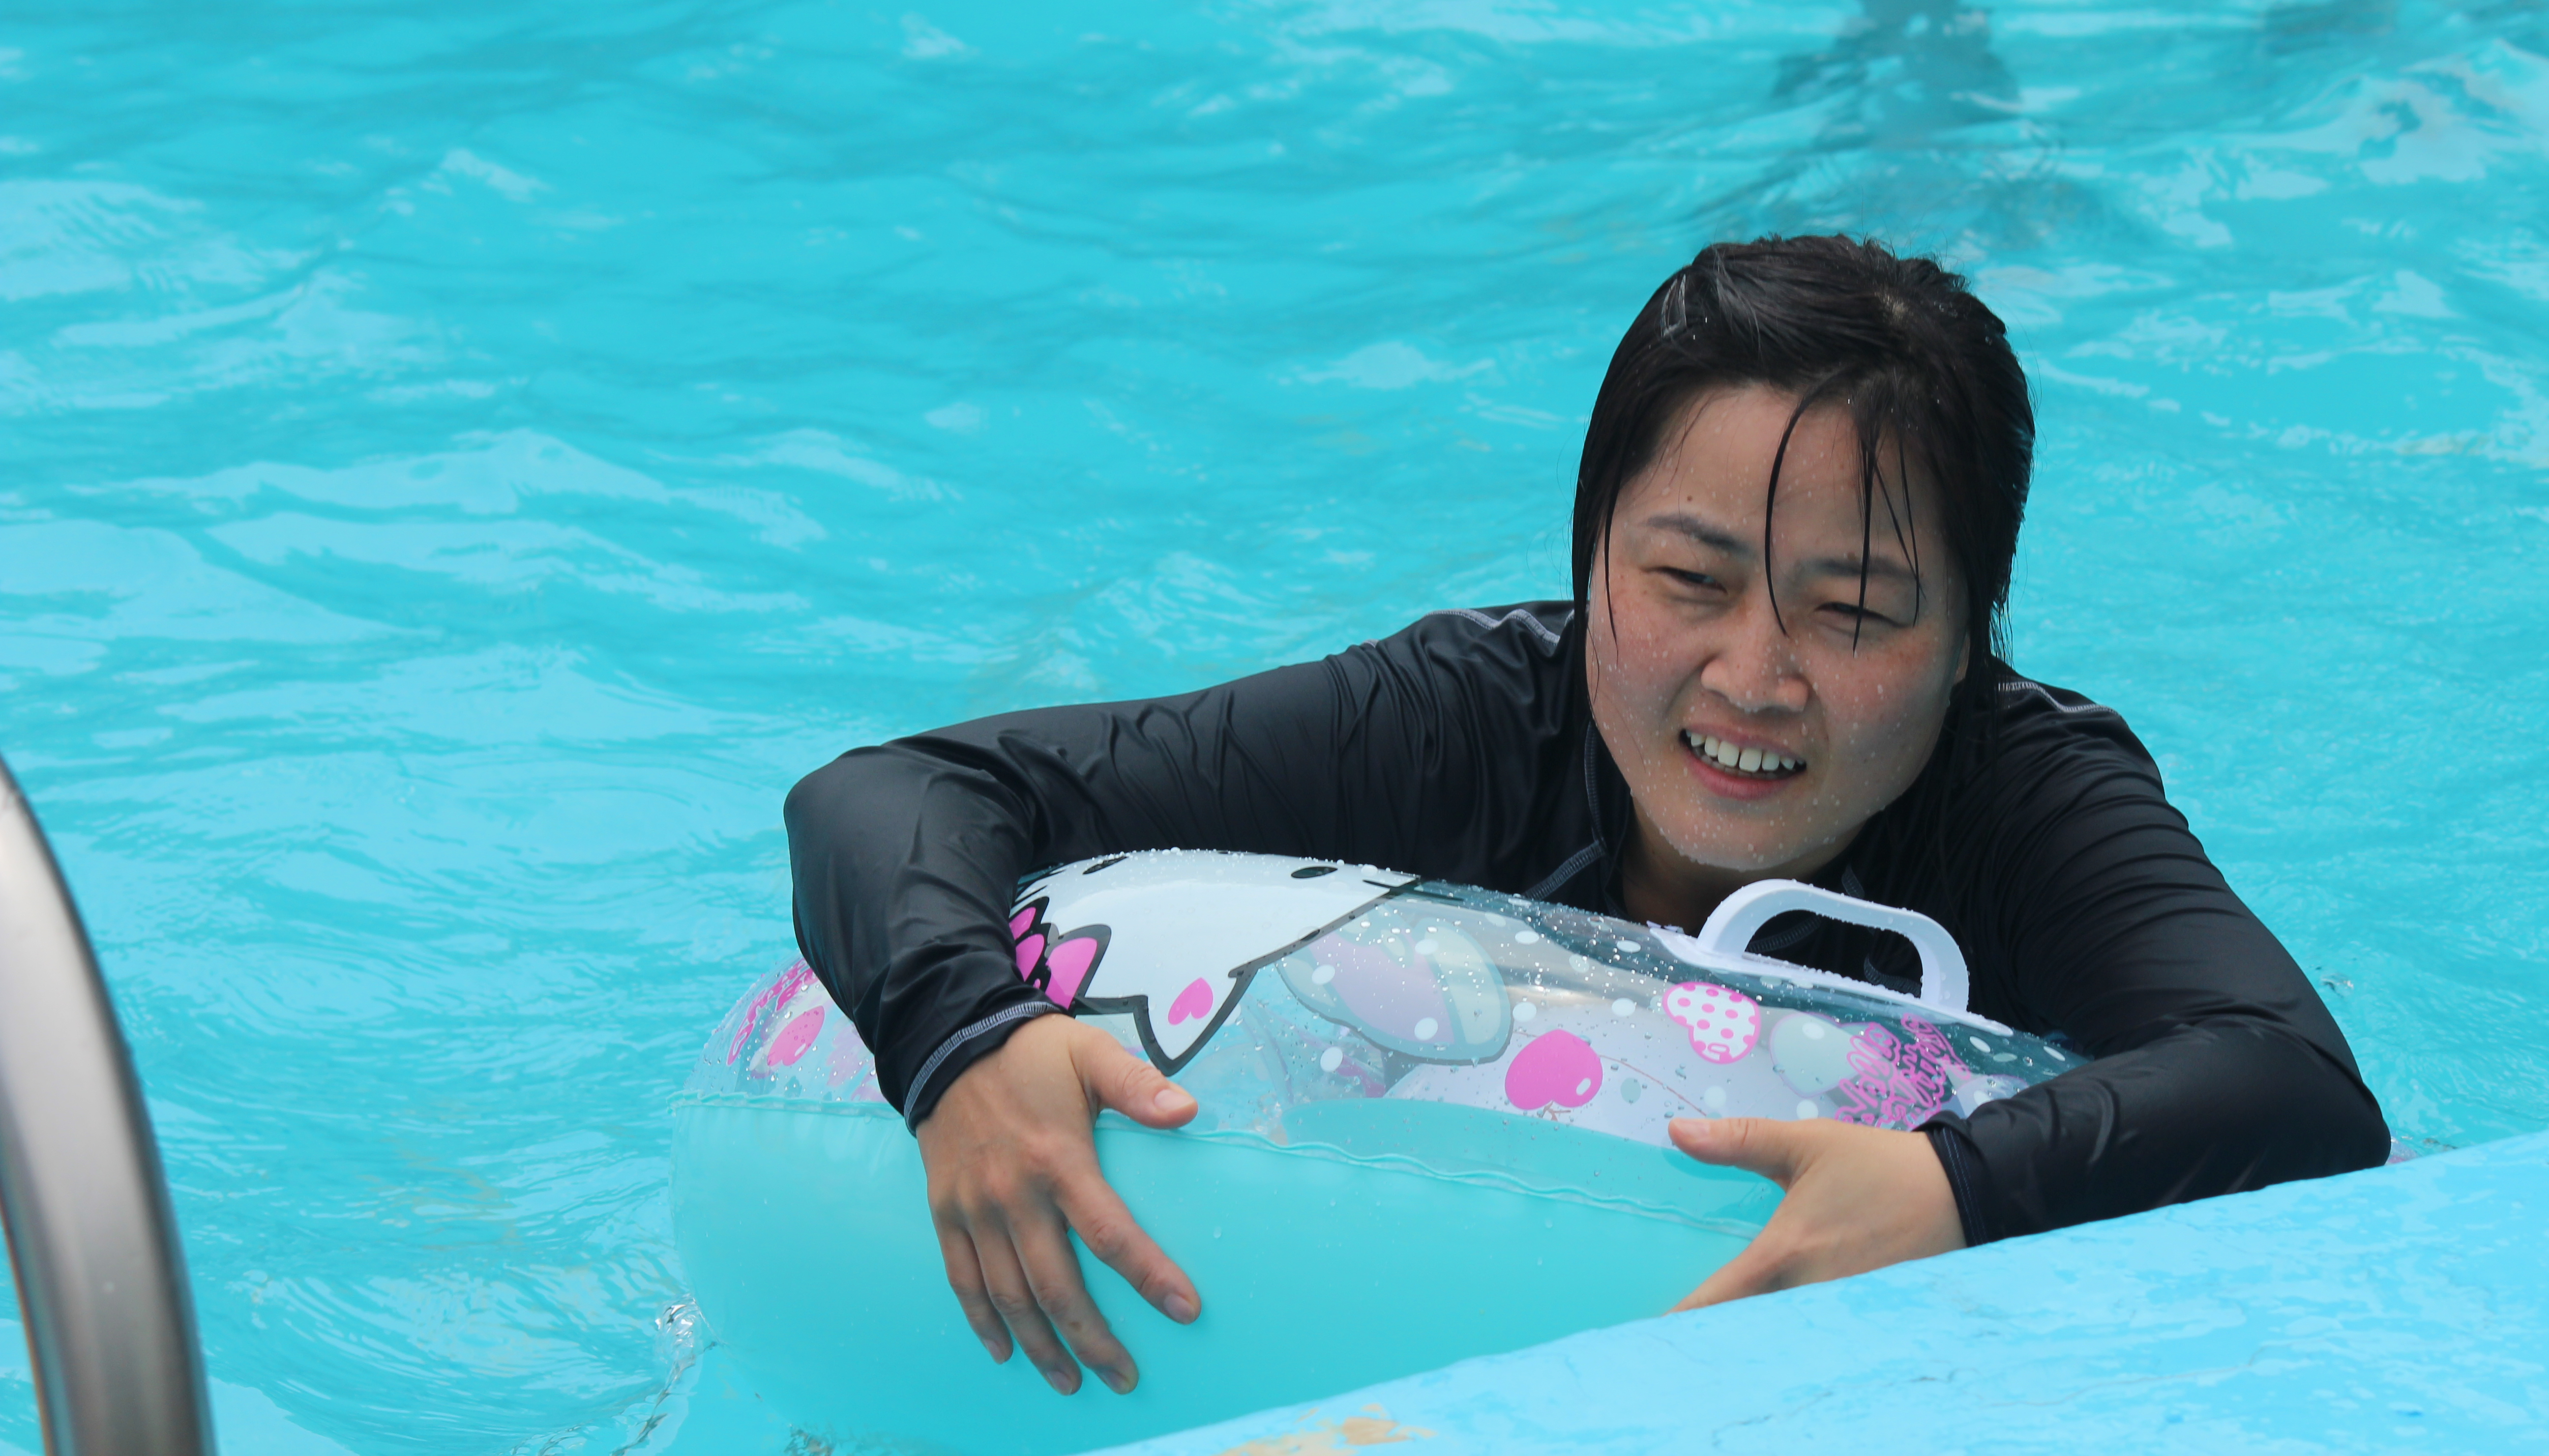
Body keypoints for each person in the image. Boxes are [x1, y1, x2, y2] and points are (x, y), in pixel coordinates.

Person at [784, 235, 2390, 1400]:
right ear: (1589, 556)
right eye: (1688, 579)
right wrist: (963, 1041)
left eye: (1853, 612)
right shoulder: (1461, 727)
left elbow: (2296, 1085)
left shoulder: (2025, 798)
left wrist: (1958, 1191)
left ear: (1970, 641)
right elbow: (898, 794)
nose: (1753, 678)